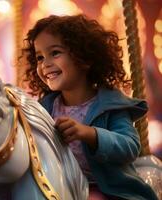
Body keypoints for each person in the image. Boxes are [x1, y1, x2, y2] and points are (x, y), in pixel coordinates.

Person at [20, 14, 158, 200]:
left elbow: (130, 146)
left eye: (55, 53)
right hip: (57, 185)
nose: (45, 64)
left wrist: (90, 134)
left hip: (103, 187)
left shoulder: (110, 105)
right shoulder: (44, 108)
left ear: (84, 57)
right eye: (39, 57)